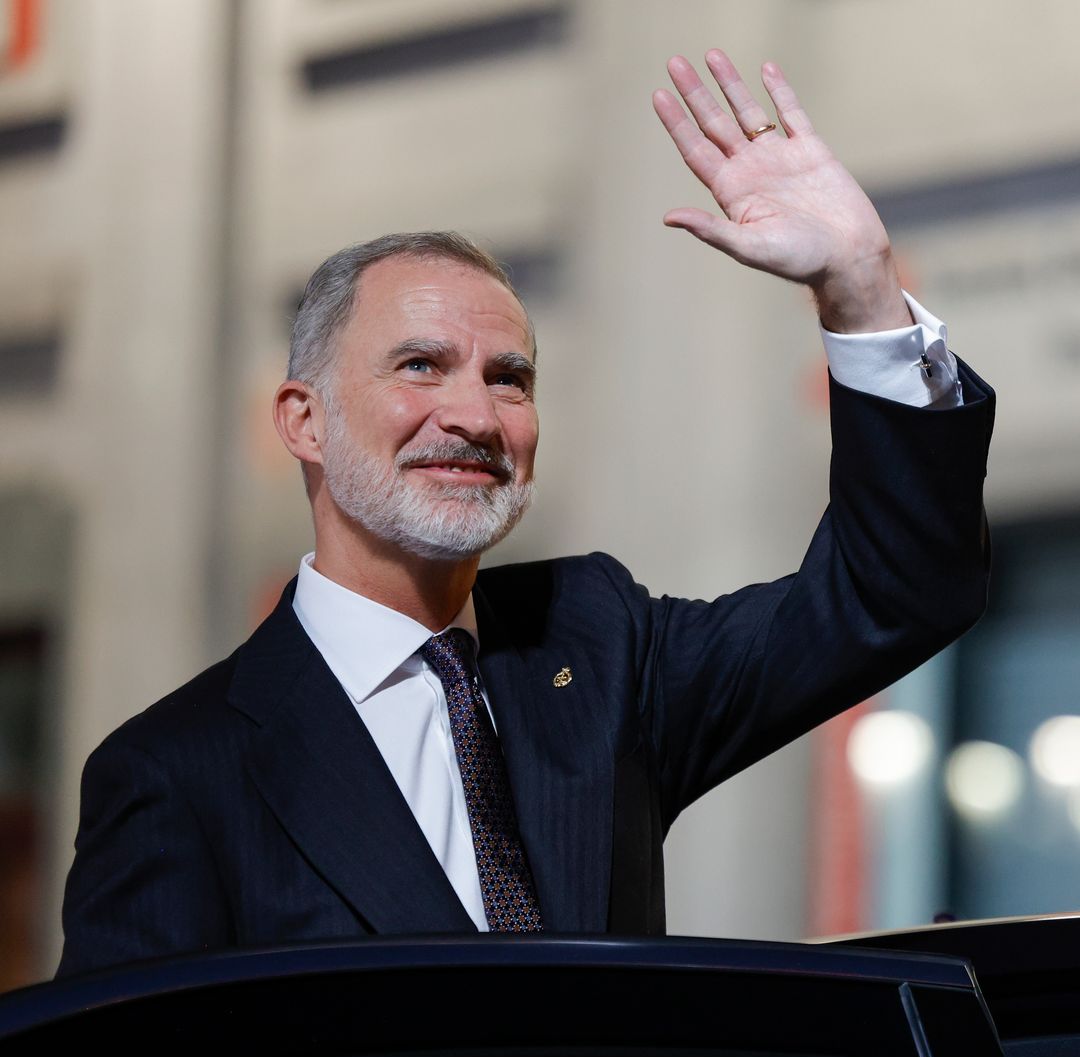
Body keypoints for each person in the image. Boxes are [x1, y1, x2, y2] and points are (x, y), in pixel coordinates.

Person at [57, 50, 993, 976]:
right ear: (305, 422)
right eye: (420, 365)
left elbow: (895, 594)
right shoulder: (179, 773)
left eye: (509, 378)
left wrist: (860, 286)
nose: (474, 415)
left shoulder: (598, 646)